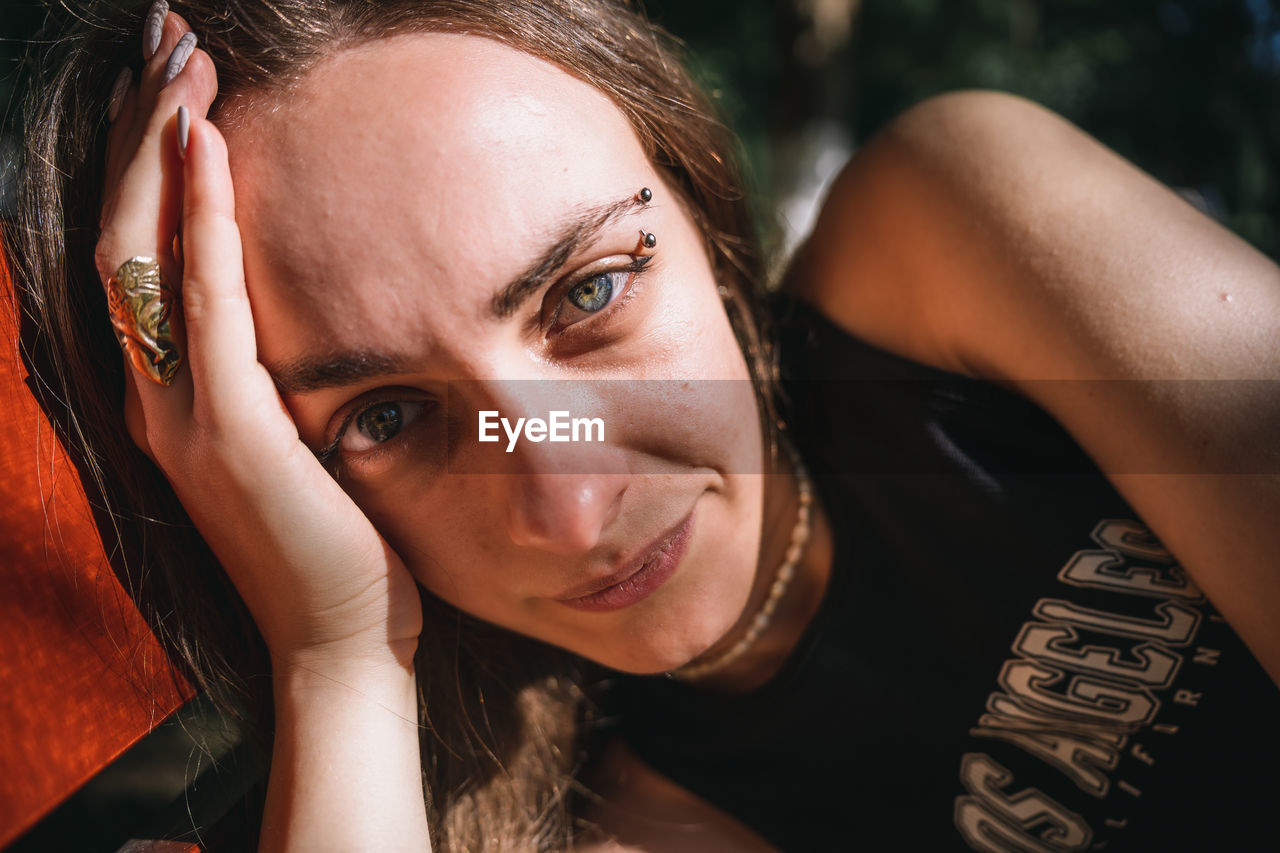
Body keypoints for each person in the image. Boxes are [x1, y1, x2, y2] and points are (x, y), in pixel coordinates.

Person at [6, 0, 1278, 850]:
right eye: (382, 416)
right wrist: (338, 657)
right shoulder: (606, 823)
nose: (569, 502)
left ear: (697, 200)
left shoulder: (945, 245)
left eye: (590, 291)